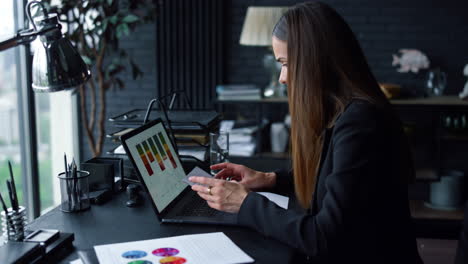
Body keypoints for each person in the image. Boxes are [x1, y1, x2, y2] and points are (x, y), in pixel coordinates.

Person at [190, 1, 423, 263]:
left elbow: (324, 238)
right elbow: (336, 180)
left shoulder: (361, 122)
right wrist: (270, 179)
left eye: (286, 64)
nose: (282, 77)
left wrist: (245, 204)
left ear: (317, 62)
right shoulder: (344, 111)